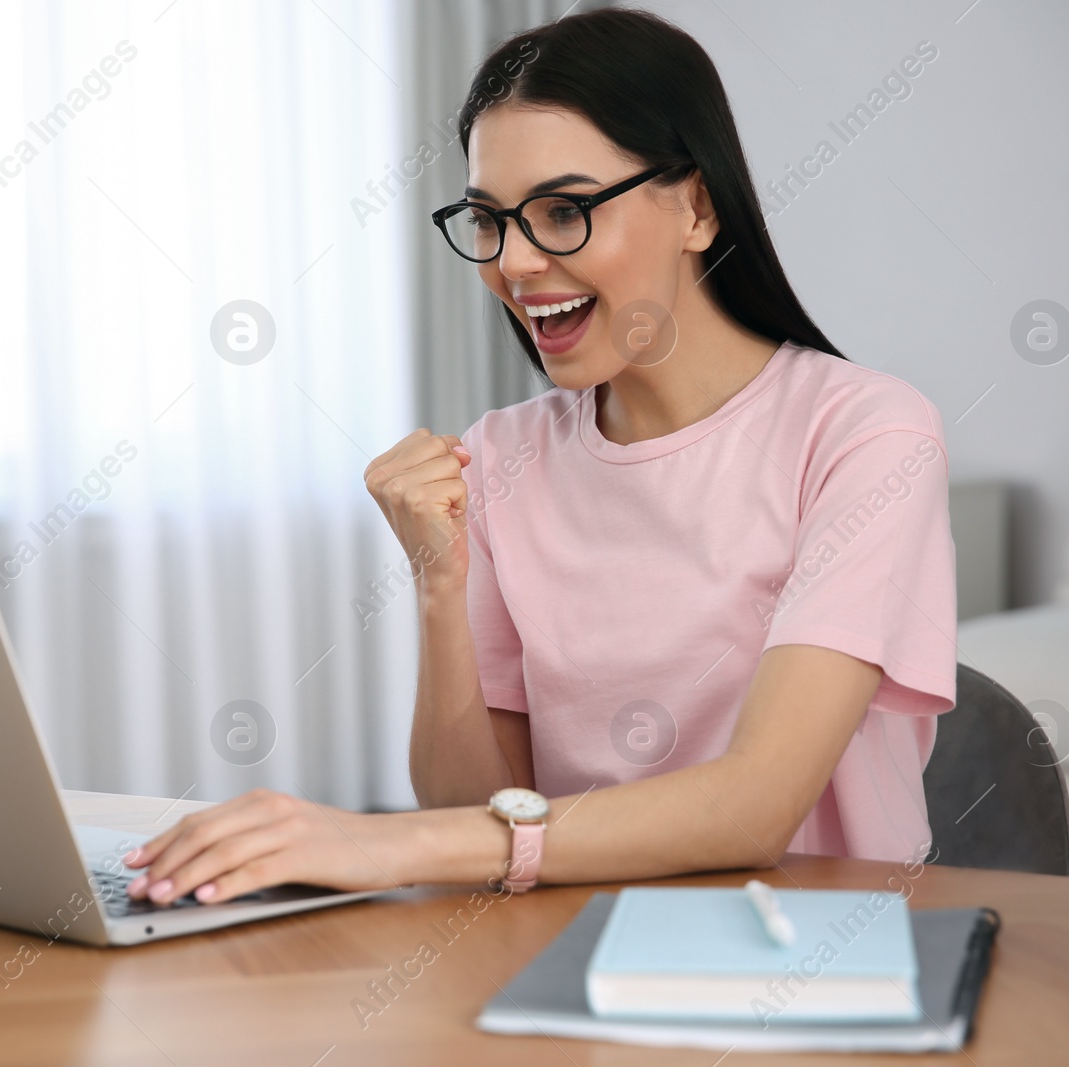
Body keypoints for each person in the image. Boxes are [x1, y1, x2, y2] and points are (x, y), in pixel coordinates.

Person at [124, 8, 955, 907]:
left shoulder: (866, 435)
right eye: (489, 220)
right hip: (567, 949)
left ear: (697, 206)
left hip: (811, 964)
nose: (515, 262)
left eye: (563, 211)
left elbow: (754, 807)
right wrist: (442, 585)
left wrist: (374, 841)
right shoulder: (499, 457)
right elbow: (473, 812)